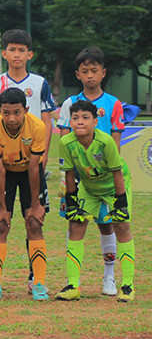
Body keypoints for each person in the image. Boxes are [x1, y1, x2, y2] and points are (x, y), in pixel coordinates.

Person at [0, 29, 57, 293]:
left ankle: (38, 280)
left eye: (22, 50)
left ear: (29, 54)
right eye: (12, 49)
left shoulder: (39, 84)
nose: (17, 54)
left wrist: (43, 157)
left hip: (31, 160)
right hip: (2, 161)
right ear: (4, 53)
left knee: (34, 219)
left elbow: (46, 119)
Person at [55, 47, 125, 296]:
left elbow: (115, 143)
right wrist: (67, 178)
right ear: (77, 74)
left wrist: (108, 170)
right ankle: (73, 281)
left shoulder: (114, 104)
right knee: (75, 223)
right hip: (76, 176)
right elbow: (64, 141)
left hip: (104, 178)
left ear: (103, 73)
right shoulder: (69, 104)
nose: (90, 75)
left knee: (107, 225)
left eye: (94, 70)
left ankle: (109, 277)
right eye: (85, 71)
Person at [55, 100, 135, 303]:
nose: (80, 122)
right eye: (75, 118)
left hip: (114, 186)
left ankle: (127, 286)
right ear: (70, 121)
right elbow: (70, 173)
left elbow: (117, 173)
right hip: (89, 187)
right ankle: (73, 285)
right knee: (76, 224)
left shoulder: (105, 141)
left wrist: (120, 203)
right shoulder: (66, 142)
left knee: (122, 225)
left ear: (95, 121)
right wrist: (71, 202)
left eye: (85, 117)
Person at [0, 88, 49, 301]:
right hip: (6, 174)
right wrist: (1, 207)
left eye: (17, 113)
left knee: (34, 222)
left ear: (26, 110)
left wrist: (37, 203)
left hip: (30, 173)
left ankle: (38, 283)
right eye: (6, 112)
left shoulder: (37, 127)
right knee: (0, 224)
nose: (11, 118)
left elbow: (34, 167)